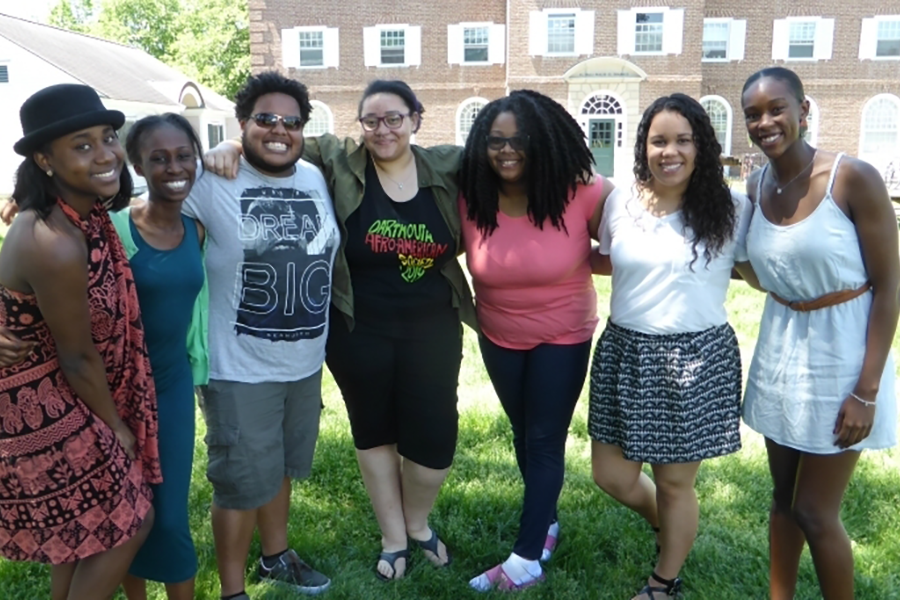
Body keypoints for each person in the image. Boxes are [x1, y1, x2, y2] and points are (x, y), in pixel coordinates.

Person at [205, 79, 478, 582]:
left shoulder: (447, 166)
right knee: (373, 431)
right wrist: (226, 143)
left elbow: (514, 166)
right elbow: (277, 138)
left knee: (434, 438)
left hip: (433, 327)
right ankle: (394, 537)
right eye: (371, 120)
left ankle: (418, 523)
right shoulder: (338, 163)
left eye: (394, 117)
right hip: (357, 330)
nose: (383, 129)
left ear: (416, 118)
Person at [587, 93, 756, 599]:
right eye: (659, 140)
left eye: (683, 140)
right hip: (624, 351)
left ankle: (665, 580)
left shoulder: (732, 207)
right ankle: (670, 528)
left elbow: (756, 272)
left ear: (701, 146)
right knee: (611, 475)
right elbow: (605, 259)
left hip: (696, 358)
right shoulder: (621, 199)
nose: (670, 151)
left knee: (676, 482)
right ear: (644, 146)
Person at [740, 67, 899, 600]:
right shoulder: (754, 184)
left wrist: (866, 390)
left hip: (844, 356)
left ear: (804, 111)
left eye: (776, 108)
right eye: (753, 115)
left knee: (814, 510)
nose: (765, 122)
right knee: (783, 499)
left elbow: (889, 288)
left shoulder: (852, 178)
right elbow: (752, 268)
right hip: (782, 349)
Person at [0, 83, 161, 600]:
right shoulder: (53, 238)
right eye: (82, 145)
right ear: (45, 159)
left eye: (108, 137)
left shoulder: (81, 216)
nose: (106, 153)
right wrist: (117, 426)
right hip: (35, 401)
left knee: (84, 532)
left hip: (59, 386)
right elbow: (77, 354)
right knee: (131, 520)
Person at [184, 72, 338, 600]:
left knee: (277, 469)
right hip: (237, 368)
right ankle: (232, 591)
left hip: (303, 362)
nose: (279, 130)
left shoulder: (315, 178)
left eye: (290, 122)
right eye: (265, 119)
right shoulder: (210, 179)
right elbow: (140, 213)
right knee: (239, 483)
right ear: (242, 124)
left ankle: (276, 558)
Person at [459, 90, 611, 592]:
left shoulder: (585, 193)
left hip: (562, 334)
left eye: (519, 140)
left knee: (544, 438)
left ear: (543, 142)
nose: (507, 150)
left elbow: (622, 247)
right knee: (524, 432)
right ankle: (544, 522)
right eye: (496, 141)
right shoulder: (470, 196)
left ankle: (524, 560)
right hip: (499, 333)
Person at [115, 114, 208, 600]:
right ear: (137, 165)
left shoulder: (196, 231)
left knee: (168, 513)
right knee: (128, 511)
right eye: (159, 158)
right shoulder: (112, 230)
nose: (175, 167)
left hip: (171, 388)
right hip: (111, 395)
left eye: (184, 155)